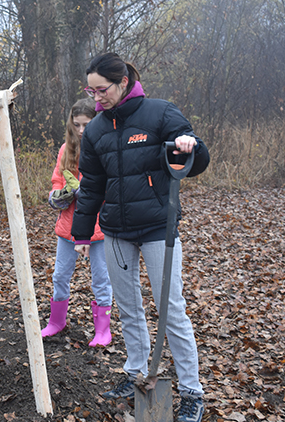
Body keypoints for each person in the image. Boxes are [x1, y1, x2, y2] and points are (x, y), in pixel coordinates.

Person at [71, 52, 210, 422]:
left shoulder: (160, 113)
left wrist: (188, 146)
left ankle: (192, 392)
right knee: (129, 308)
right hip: (116, 230)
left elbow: (198, 157)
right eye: (91, 90)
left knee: (171, 309)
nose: (97, 97)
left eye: (102, 90)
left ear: (123, 83)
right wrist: (82, 233)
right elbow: (91, 186)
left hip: (157, 228)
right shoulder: (97, 130)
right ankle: (135, 373)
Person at [41, 98, 113, 347]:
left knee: (101, 279)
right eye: (77, 125)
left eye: (87, 124)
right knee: (60, 275)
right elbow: (57, 181)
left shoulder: (106, 147)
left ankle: (103, 330)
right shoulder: (65, 149)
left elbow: (111, 187)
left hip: (99, 227)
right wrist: (57, 196)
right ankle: (56, 322)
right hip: (68, 225)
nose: (82, 131)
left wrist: (90, 192)